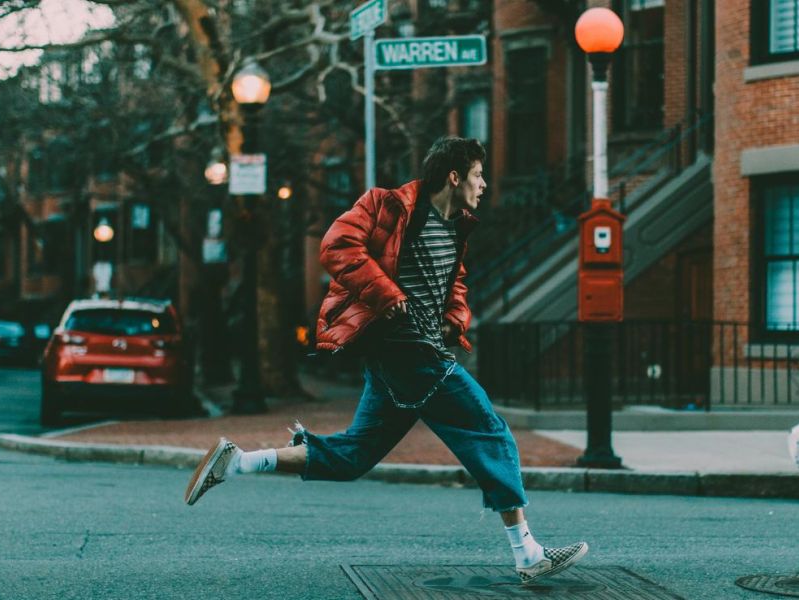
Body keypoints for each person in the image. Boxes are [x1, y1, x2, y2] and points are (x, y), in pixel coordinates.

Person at [184, 136, 588, 584]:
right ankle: (527, 552)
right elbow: (337, 246)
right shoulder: (386, 206)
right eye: (477, 174)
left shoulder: (456, 226)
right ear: (454, 176)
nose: (484, 184)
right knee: (490, 433)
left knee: (353, 457)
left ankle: (238, 461)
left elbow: (453, 282)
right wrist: (385, 292)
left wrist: (455, 316)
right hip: (411, 353)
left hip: (398, 361)